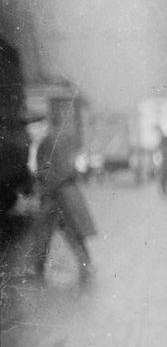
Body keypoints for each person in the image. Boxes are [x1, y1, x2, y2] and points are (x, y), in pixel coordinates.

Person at [26, 108, 96, 280]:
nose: (30, 131)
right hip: (61, 193)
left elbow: (59, 169)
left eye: (34, 127)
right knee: (66, 231)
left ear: (43, 125)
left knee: (47, 230)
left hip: (57, 193)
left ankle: (37, 268)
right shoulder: (51, 139)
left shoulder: (47, 142)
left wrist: (43, 188)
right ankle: (86, 266)